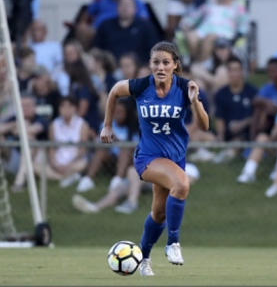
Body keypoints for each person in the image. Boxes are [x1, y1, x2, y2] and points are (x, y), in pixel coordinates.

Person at [100, 41, 209, 275]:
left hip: (175, 159)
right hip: (148, 157)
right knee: (181, 184)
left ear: (175, 65)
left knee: (159, 213)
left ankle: (143, 258)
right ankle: (173, 243)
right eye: (156, 62)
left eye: (166, 62)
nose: (161, 66)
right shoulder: (141, 86)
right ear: (150, 64)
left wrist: (195, 102)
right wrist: (107, 126)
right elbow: (114, 91)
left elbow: (204, 125)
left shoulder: (184, 88)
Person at [0, 94, 48, 192]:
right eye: (22, 105)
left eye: (28, 105)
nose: (24, 108)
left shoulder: (41, 119)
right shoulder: (14, 119)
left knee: (29, 139)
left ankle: (20, 180)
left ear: (34, 107)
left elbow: (32, 130)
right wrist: (14, 125)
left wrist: (16, 129)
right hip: (15, 159)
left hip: (35, 164)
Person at [72, 163, 200, 215]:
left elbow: (187, 180)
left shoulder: (188, 166)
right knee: (123, 186)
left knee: (133, 171)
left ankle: (132, 202)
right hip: (148, 178)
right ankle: (95, 207)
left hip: (159, 182)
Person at [76, 98, 139, 193]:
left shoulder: (134, 127)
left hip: (129, 160)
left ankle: (118, 179)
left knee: (125, 148)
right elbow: (99, 141)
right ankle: (88, 179)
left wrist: (117, 140)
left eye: (120, 112)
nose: (117, 115)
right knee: (102, 148)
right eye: (115, 112)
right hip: (111, 158)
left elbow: (136, 149)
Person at [76, 0, 149, 49]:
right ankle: (85, 56)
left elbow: (143, 21)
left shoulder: (134, 0)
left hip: (124, 31)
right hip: (101, 32)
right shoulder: (103, 0)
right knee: (82, 28)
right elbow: (87, 13)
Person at [181, 0, 249, 62]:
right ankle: (197, 61)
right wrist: (186, 23)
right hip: (205, 29)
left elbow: (244, 23)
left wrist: (239, 34)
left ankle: (198, 64)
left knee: (209, 38)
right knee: (191, 36)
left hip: (224, 32)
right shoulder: (210, 3)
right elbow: (196, 16)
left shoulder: (237, 7)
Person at [213, 57, 258, 162]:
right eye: (231, 70)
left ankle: (226, 157)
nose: (234, 73)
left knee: (239, 141)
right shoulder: (221, 94)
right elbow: (219, 117)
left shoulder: (252, 92)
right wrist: (220, 135)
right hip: (229, 133)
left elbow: (257, 115)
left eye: (237, 70)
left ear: (242, 72)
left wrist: (243, 123)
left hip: (248, 132)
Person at [93, 0, 159, 64]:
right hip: (112, 68)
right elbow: (96, 49)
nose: (125, 8)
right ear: (116, 8)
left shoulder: (145, 25)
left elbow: (154, 49)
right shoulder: (106, 25)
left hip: (139, 68)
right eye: (122, 5)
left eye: (128, 5)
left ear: (135, 9)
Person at [45, 96, 89, 188]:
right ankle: (67, 177)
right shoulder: (54, 125)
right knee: (36, 167)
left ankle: (63, 177)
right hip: (58, 162)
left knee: (82, 164)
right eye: (63, 107)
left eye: (69, 107)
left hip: (75, 162)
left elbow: (82, 150)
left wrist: (68, 165)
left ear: (75, 109)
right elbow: (52, 148)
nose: (66, 110)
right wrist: (55, 164)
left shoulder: (82, 124)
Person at [252, 58, 277, 137]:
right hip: (270, 116)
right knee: (258, 110)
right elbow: (255, 100)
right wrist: (266, 102)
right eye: (269, 71)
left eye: (274, 71)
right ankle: (253, 140)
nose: (271, 74)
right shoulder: (267, 87)